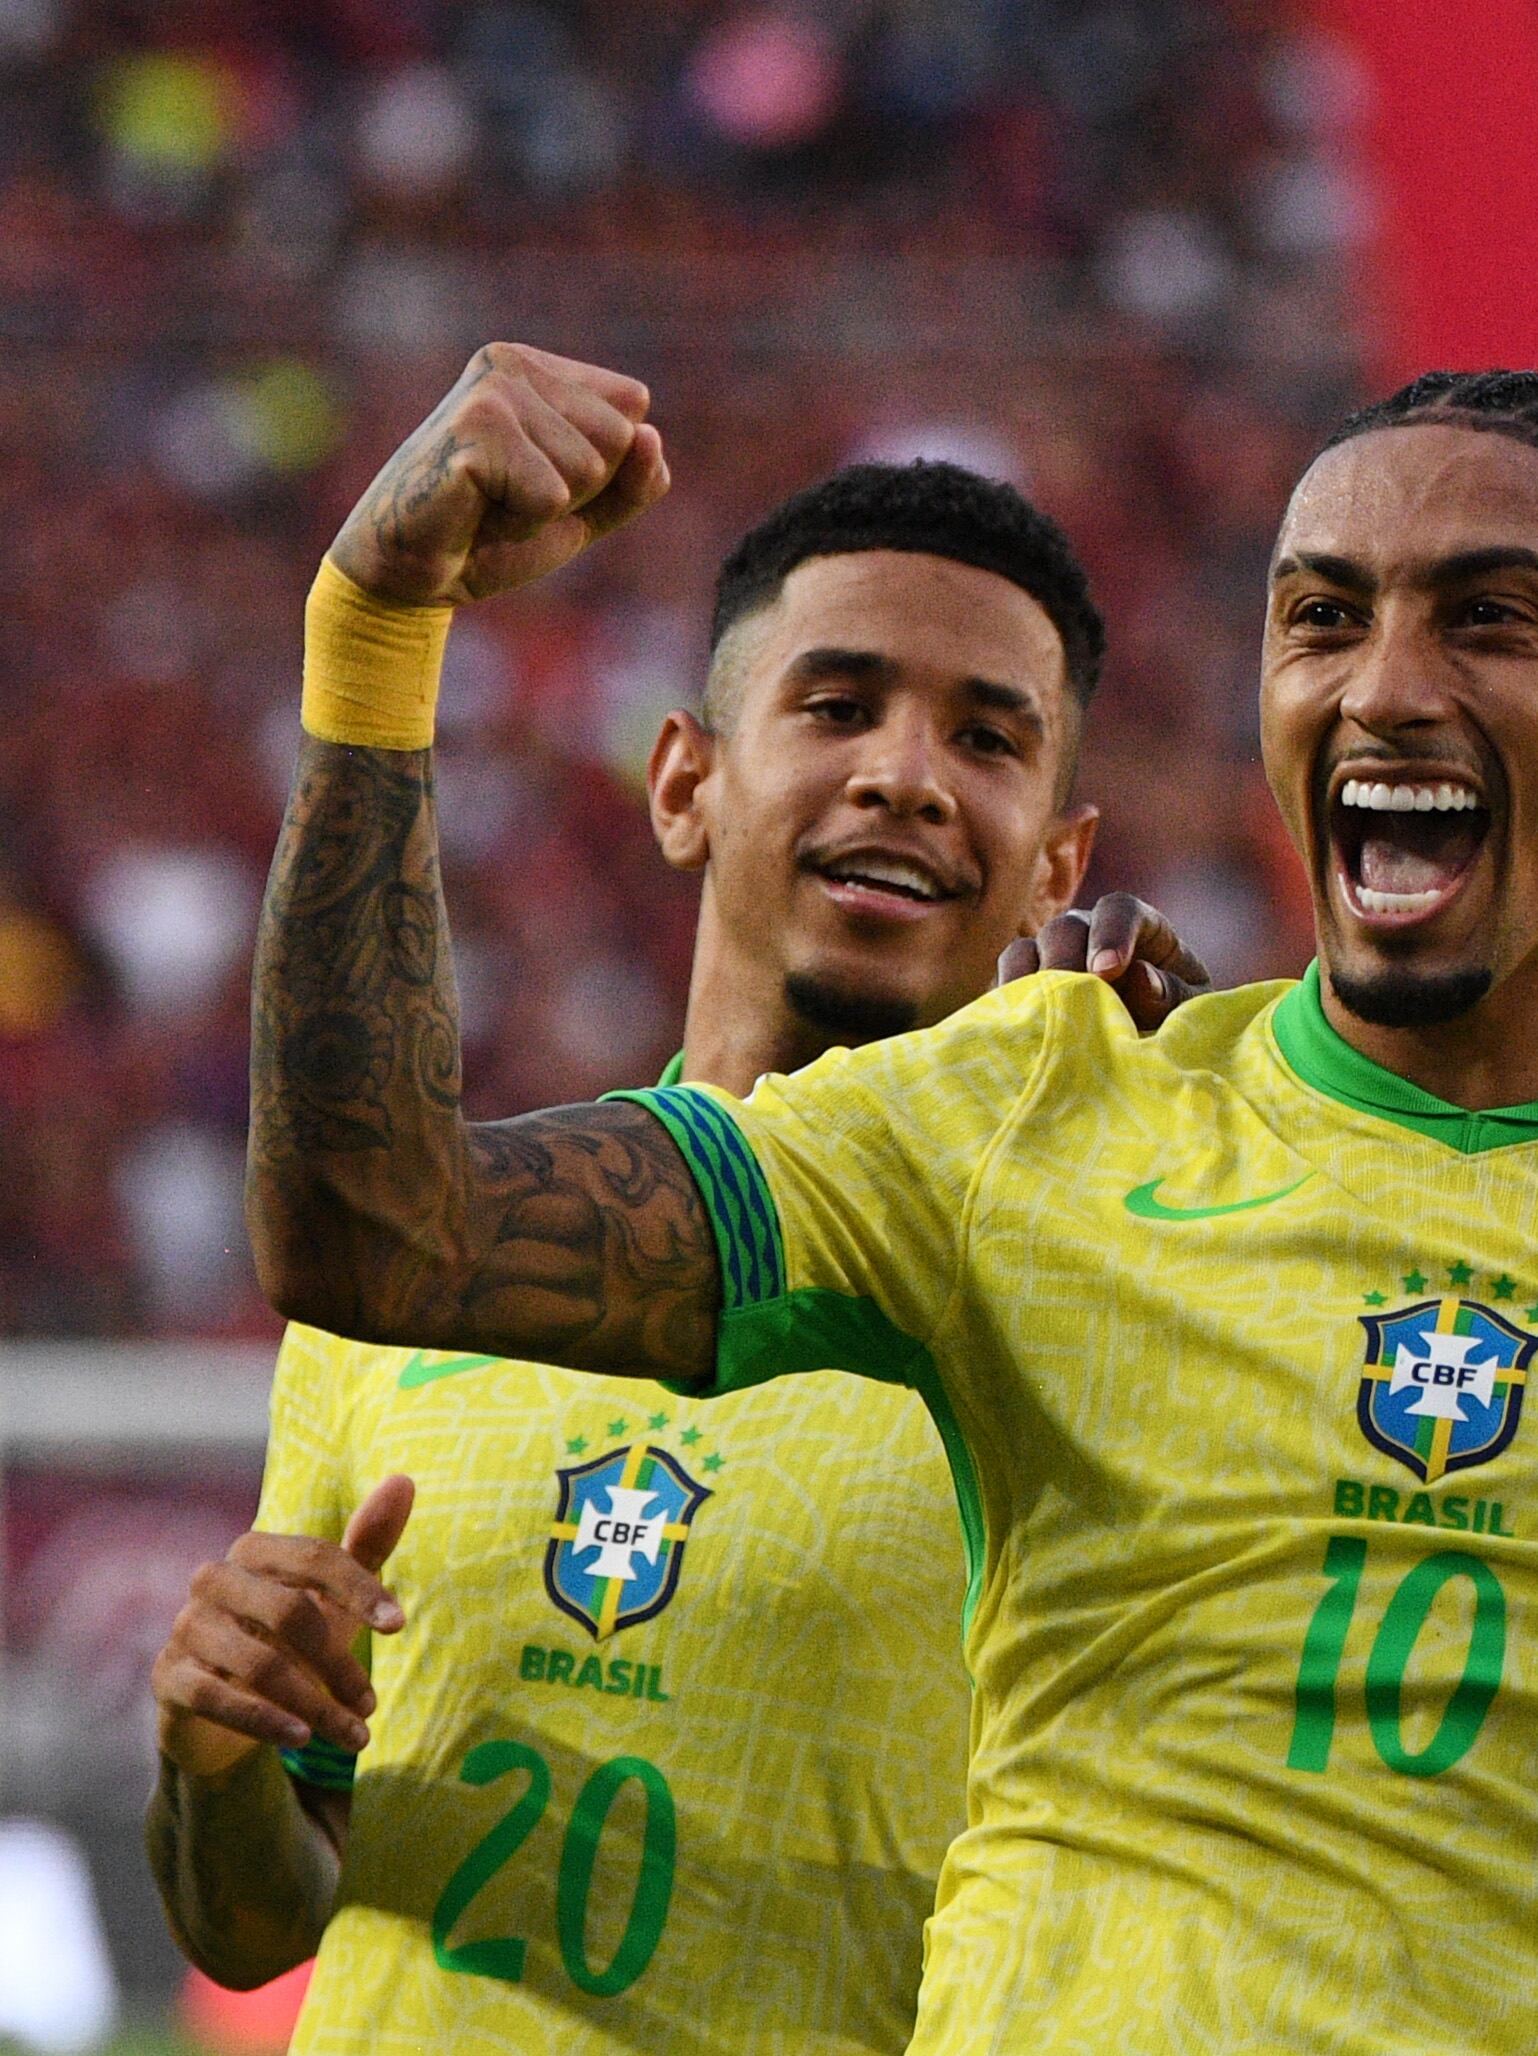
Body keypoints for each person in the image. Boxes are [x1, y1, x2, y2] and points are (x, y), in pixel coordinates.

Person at [237, 356, 1538, 2054]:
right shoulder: (1032, 1116)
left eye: (1490, 622)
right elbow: (375, 1230)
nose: (1384, 684)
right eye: (1321, 619)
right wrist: (378, 632)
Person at [151, 376, 1102, 2053]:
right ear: (683, 786)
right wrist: (215, 1750)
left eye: (987, 736)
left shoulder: (1099, 1317)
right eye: (837, 704)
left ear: (1057, 869)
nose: (906, 774)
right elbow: (250, 1920)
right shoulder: (429, 1282)